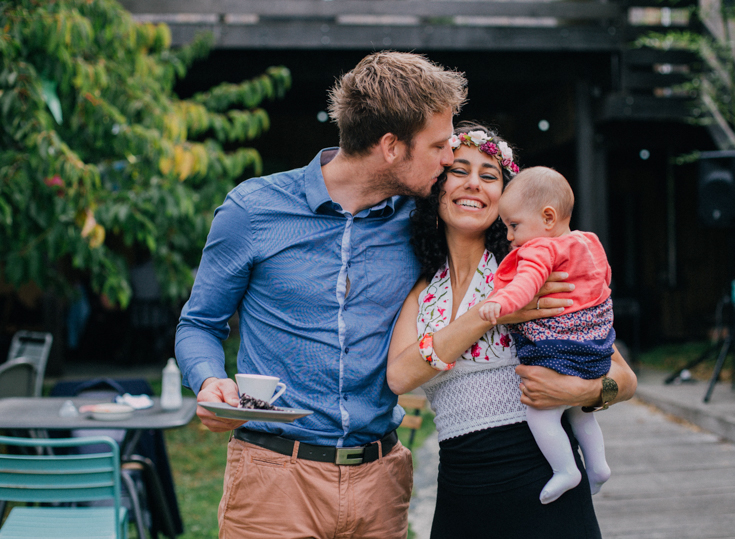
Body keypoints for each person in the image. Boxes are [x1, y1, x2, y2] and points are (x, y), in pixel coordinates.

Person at [175, 51, 468, 539]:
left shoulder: (424, 221)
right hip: (273, 480)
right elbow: (199, 324)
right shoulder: (253, 210)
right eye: (438, 144)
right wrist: (208, 381)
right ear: (391, 146)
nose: (450, 157)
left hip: (380, 481)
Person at [386, 123, 637, 539]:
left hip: (544, 489)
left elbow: (624, 379)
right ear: (437, 184)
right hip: (460, 496)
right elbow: (398, 376)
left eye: (489, 176)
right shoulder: (422, 291)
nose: (473, 184)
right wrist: (491, 316)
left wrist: (582, 394)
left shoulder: (537, 275)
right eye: (459, 170)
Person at [479, 166, 614, 505]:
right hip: (596, 348)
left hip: (559, 351)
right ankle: (598, 466)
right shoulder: (589, 242)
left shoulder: (540, 249)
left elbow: (526, 284)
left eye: (513, 226)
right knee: (582, 412)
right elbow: (604, 280)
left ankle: (567, 470)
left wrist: (501, 302)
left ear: (548, 217)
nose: (509, 237)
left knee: (541, 413)